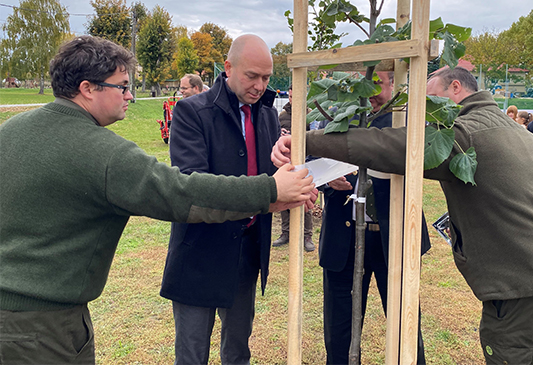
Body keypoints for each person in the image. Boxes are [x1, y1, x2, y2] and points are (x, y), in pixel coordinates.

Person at [0, 36, 315, 365]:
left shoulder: (12, 130)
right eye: (122, 87)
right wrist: (269, 191)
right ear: (88, 88)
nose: (130, 95)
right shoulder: (104, 153)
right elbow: (180, 192)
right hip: (43, 328)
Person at [272, 67, 533, 365]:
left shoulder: (463, 134)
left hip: (523, 285)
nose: (426, 110)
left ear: (455, 88)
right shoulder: (516, 131)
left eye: (431, 98)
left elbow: (399, 147)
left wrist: (306, 140)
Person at [159, 34, 289, 365]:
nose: (260, 86)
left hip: (245, 250)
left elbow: (275, 175)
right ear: (228, 67)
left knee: (238, 350)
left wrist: (298, 180)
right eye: (252, 76)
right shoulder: (191, 112)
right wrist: (269, 196)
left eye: (266, 77)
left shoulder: (268, 116)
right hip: (200, 253)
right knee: (192, 354)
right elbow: (192, 186)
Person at [317, 71, 430, 364]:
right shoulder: (341, 118)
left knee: (405, 327)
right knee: (338, 332)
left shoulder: (405, 121)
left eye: (377, 83)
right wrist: (329, 181)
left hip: (392, 239)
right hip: (344, 238)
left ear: (395, 83)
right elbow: (314, 160)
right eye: (362, 83)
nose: (368, 91)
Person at [273, 85, 315, 251]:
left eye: (295, 96)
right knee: (284, 198)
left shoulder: (310, 116)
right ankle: (286, 233)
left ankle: (307, 235)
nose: (292, 100)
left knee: (305, 199)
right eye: (290, 97)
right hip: (286, 164)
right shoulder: (282, 116)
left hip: (305, 163)